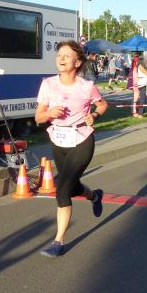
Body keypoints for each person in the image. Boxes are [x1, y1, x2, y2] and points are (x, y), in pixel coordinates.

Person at [34, 40, 107, 258]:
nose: (61, 58)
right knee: (72, 186)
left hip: (82, 139)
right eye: (59, 55)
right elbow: (38, 117)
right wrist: (49, 114)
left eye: (67, 56)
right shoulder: (48, 84)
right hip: (58, 140)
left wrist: (94, 115)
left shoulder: (86, 86)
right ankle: (94, 196)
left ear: (77, 62)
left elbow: (102, 104)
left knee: (62, 189)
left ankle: (58, 242)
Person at [131, 50, 147, 118]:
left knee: (143, 98)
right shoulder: (140, 66)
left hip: (143, 84)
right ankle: (140, 113)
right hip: (141, 84)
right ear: (143, 60)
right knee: (142, 99)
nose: (146, 61)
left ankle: (138, 112)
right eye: (145, 60)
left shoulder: (143, 66)